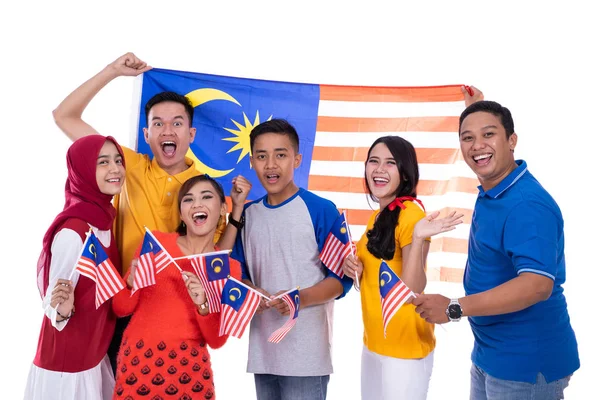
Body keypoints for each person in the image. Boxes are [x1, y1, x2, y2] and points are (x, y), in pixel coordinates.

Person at [53, 52, 251, 372]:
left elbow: (216, 254)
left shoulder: (204, 191)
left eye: (177, 123)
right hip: (121, 304)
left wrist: (237, 211)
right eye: (157, 124)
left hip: (177, 314)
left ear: (192, 134)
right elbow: (64, 116)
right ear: (147, 135)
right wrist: (111, 72)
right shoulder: (126, 165)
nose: (167, 131)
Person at [413, 100, 580, 400]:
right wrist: (478, 112)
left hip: (525, 366)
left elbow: (537, 285)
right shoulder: (497, 186)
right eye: (468, 137)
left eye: (489, 134)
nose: (477, 145)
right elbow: (485, 142)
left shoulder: (527, 204)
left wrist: (453, 308)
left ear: (511, 140)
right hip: (490, 354)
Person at [231, 119, 353, 400]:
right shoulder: (247, 215)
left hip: (306, 356)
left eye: (281, 155)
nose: (271, 164)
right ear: (251, 161)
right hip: (264, 352)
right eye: (262, 156)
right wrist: (251, 292)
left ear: (297, 159)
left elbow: (341, 281)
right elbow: (238, 271)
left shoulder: (321, 210)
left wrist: (298, 298)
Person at [341, 135, 463, 400]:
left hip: (405, 348)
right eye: (373, 161)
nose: (379, 169)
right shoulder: (379, 215)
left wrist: (418, 238)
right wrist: (356, 268)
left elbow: (413, 288)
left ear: (405, 173)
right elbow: (375, 276)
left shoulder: (411, 215)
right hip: (374, 342)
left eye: (390, 163)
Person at [111, 174, 242, 399]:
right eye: (188, 200)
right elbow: (120, 308)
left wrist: (202, 303)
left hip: (189, 372)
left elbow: (217, 340)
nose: (197, 204)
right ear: (182, 214)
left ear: (222, 209)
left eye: (206, 197)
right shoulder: (155, 243)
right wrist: (130, 282)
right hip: (139, 363)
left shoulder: (229, 269)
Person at [25, 135, 126, 400]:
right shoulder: (74, 231)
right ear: (81, 171)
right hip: (67, 368)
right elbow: (53, 303)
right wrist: (63, 308)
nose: (115, 168)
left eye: (117, 160)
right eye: (102, 162)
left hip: (92, 354)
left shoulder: (104, 220)